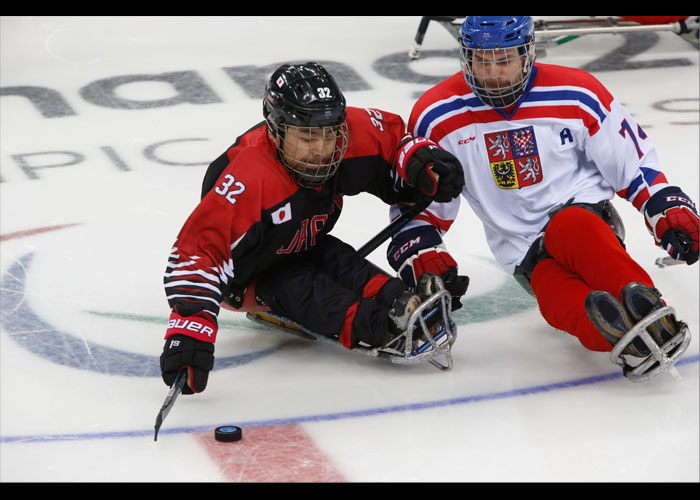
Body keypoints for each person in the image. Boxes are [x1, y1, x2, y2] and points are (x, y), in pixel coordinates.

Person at [387, 16, 699, 381]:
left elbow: (632, 163)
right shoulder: (435, 115)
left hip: (585, 220)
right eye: (481, 60)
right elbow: (421, 205)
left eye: (504, 60)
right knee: (552, 298)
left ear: (528, 52)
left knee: (572, 227)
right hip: (523, 254)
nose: (492, 73)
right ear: (465, 57)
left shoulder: (577, 92)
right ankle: (625, 340)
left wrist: (666, 206)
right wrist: (421, 252)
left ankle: (652, 310)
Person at [160, 62, 466, 394]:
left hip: (301, 240)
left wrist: (421, 160)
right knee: (303, 286)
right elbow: (197, 254)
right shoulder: (248, 180)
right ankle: (384, 328)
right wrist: (189, 333)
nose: (321, 149)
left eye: (329, 132)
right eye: (307, 136)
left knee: (337, 259)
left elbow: (392, 140)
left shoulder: (344, 133)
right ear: (276, 129)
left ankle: (399, 301)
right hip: (249, 273)